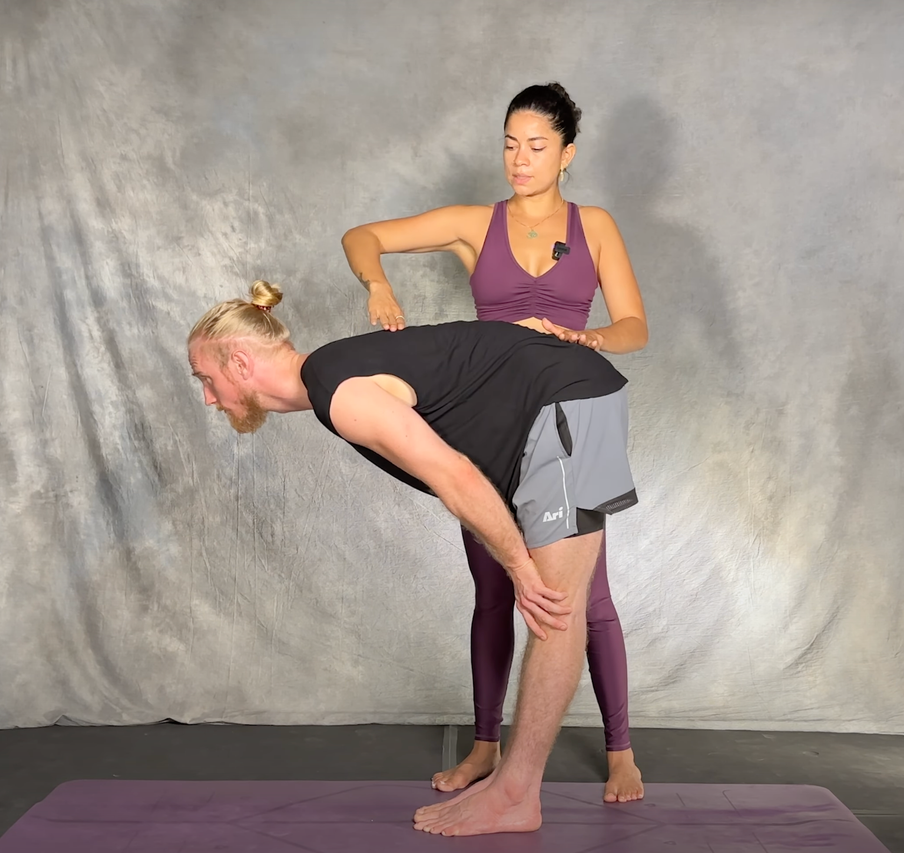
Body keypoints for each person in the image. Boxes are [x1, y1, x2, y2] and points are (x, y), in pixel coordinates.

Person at [186, 280, 640, 836]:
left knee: (552, 605)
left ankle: (516, 796)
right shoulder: (332, 373)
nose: (208, 398)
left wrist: (521, 569)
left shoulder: (342, 394)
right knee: (554, 604)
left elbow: (455, 474)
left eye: (205, 378)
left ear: (239, 362)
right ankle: (510, 785)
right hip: (552, 401)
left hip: (568, 397)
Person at [340, 82, 648, 803]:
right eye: (510, 144)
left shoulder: (595, 226)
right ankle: (486, 747)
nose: (520, 158)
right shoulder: (475, 225)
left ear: (567, 154)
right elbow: (363, 236)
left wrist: (587, 337)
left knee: (588, 598)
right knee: (493, 589)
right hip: (492, 423)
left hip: (569, 417)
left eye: (537, 146)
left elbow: (634, 326)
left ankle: (622, 752)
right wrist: (377, 285)